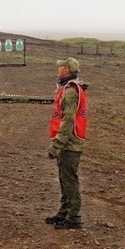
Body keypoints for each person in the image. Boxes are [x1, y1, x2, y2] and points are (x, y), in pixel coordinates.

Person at [45, 57, 88, 230]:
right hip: (68, 143)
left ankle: (74, 217)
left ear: (66, 70)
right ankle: (64, 213)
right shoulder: (68, 89)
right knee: (64, 179)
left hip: (70, 144)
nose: (58, 69)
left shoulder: (70, 91)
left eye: (60, 66)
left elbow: (68, 121)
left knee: (69, 180)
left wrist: (57, 145)